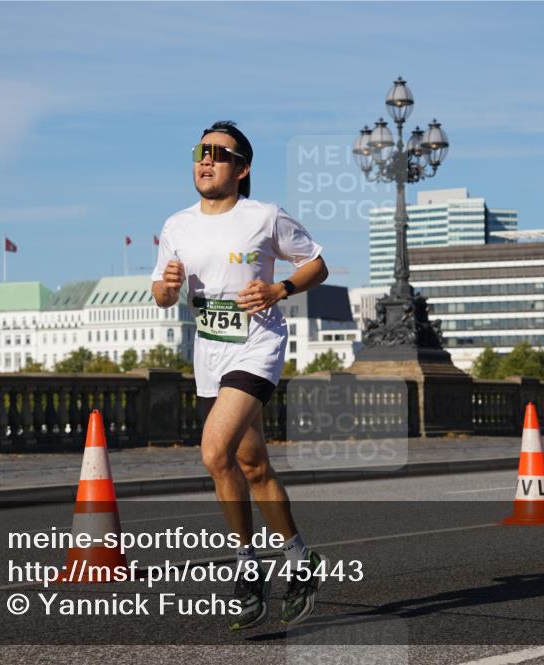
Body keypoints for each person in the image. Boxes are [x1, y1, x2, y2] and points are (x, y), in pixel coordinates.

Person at [151, 121, 330, 628]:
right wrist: (166, 287)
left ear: (242, 167)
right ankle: (300, 560)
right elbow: (163, 295)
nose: (205, 160)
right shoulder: (177, 226)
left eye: (218, 153)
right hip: (210, 353)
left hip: (258, 347)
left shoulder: (264, 216)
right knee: (251, 467)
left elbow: (316, 264)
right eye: (199, 151)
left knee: (214, 452)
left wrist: (280, 290)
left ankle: (246, 568)